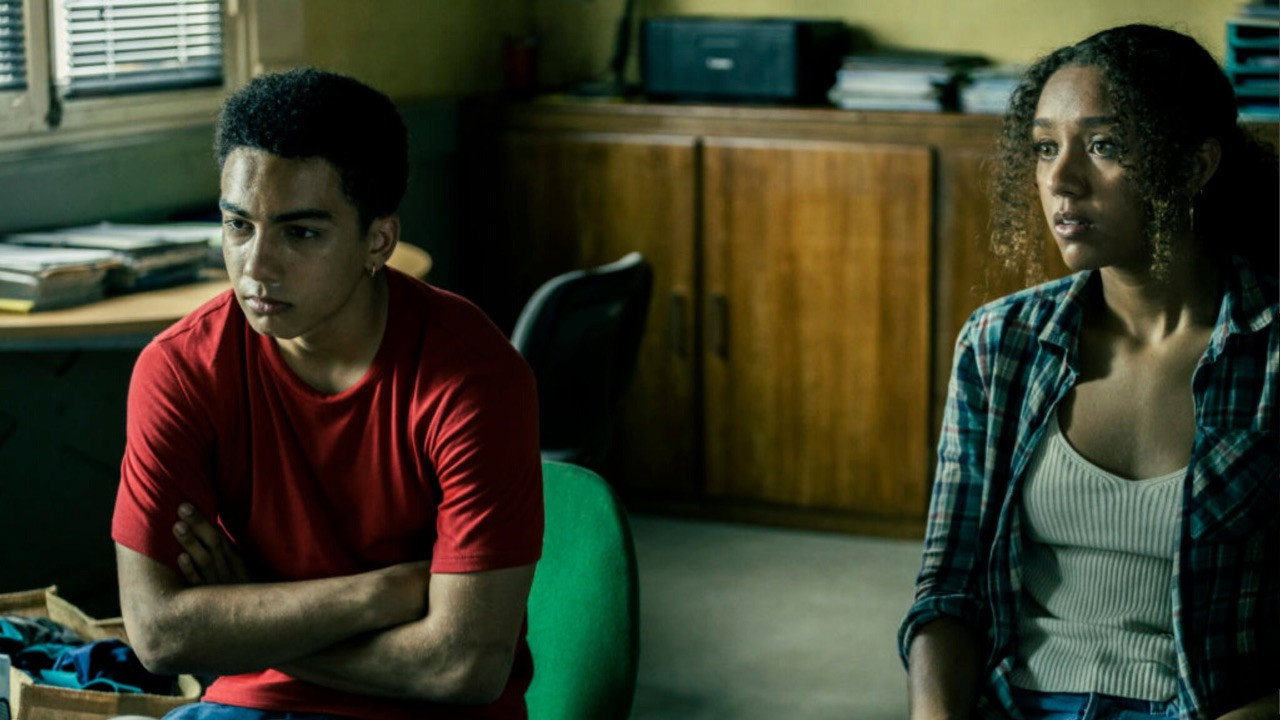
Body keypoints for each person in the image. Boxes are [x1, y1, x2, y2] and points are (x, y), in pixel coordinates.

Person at [111, 68, 544, 720]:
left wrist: (252, 612)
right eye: (238, 225)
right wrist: (377, 595)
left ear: (378, 241)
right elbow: (158, 634)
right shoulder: (180, 369)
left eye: (301, 232)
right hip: (249, 706)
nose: (256, 267)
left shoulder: (473, 379)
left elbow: (464, 666)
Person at [899, 24, 1278, 720]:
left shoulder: (1270, 352)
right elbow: (948, 590)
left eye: (1104, 146)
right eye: (1046, 147)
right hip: (1015, 703)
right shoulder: (1000, 342)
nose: (1060, 181)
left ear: (1194, 166)